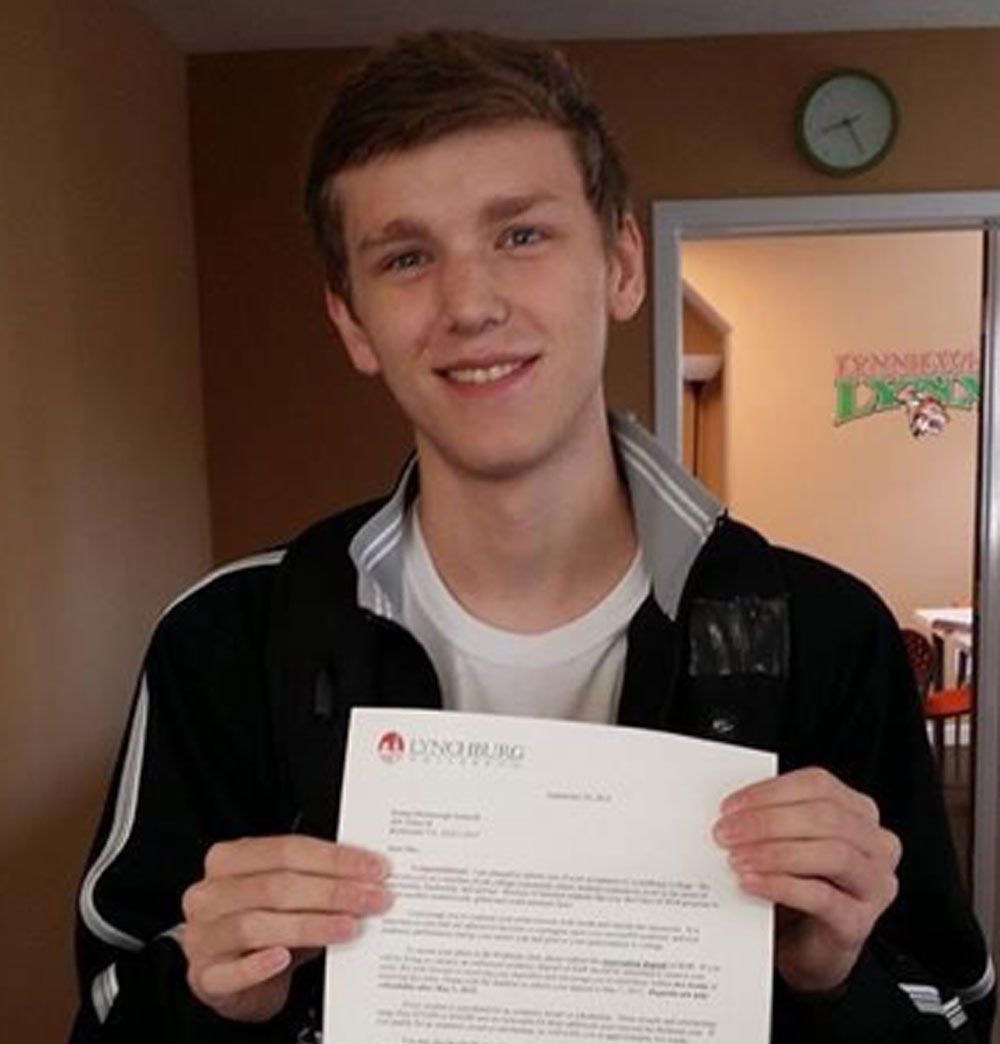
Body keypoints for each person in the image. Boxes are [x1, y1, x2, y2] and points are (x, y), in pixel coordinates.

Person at [70, 29, 994, 1044]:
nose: (470, 305)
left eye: (520, 235)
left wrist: (835, 980)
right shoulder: (225, 643)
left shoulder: (828, 635)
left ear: (623, 265)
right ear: (352, 323)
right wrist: (208, 1001)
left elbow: (956, 1013)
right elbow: (105, 1013)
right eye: (406, 257)